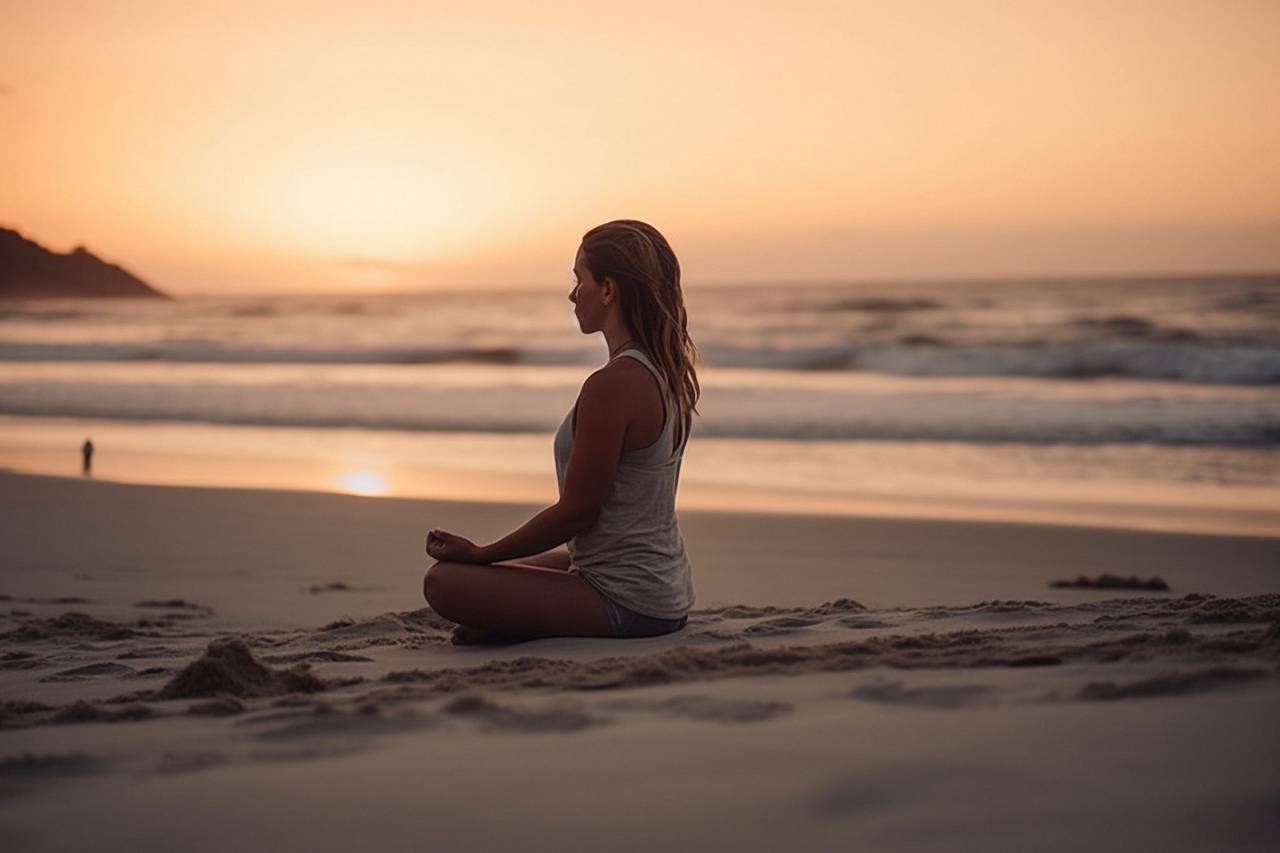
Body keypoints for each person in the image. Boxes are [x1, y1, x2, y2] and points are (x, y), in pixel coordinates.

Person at [424, 220, 699, 644]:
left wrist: (481, 553)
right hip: (663, 590)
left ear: (608, 289)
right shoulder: (664, 373)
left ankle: (520, 619)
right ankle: (520, 618)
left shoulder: (613, 385)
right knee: (497, 576)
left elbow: (576, 514)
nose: (573, 293)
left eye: (580, 278)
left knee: (445, 582)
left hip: (627, 602)